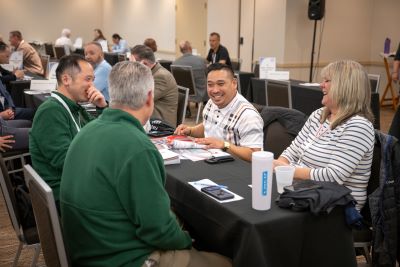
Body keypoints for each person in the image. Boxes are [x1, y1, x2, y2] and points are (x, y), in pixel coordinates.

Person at [60, 61, 232, 267]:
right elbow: (158, 230)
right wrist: (190, 241)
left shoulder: (86, 131)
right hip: (124, 258)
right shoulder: (137, 146)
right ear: (150, 98)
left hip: (89, 248)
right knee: (227, 260)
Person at [274, 60, 375, 211]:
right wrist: (280, 168)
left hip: (336, 210)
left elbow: (333, 176)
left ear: (346, 86)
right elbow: (293, 150)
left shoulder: (358, 126)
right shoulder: (318, 115)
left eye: (327, 81)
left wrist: (286, 170)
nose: (321, 85)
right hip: (304, 194)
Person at [29, 54, 107, 206]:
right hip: (66, 193)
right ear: (66, 80)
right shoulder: (51, 111)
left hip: (77, 183)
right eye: (87, 79)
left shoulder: (74, 108)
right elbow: (64, 161)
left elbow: (100, 135)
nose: (92, 86)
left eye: (93, 80)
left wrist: (102, 107)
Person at [175, 63, 263, 162]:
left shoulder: (248, 115)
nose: (215, 90)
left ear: (234, 83)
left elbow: (255, 154)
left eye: (221, 84)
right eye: (210, 85)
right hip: (210, 160)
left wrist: (224, 145)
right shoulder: (211, 103)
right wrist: (190, 130)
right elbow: (208, 126)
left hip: (236, 170)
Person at [131, 45, 178, 126]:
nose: (130, 67)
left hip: (161, 126)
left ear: (144, 63)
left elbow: (139, 100)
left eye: (133, 65)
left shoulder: (161, 77)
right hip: (150, 120)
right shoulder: (150, 73)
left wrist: (134, 73)